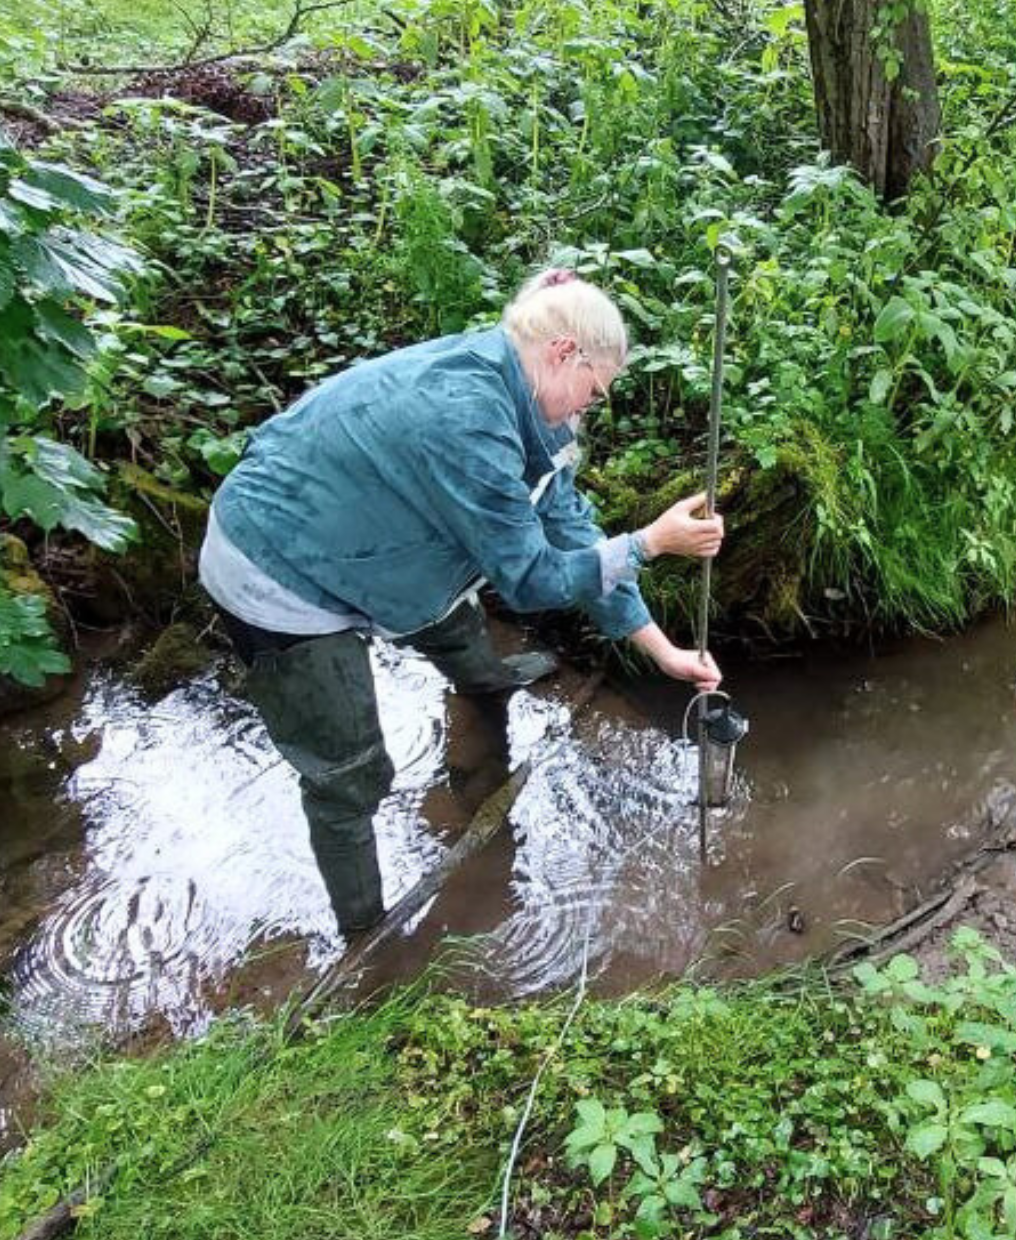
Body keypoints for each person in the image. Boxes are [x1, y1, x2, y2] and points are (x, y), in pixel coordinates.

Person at [198, 269, 724, 937]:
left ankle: (483, 682)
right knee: (350, 773)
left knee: (453, 610)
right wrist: (650, 542)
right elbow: (531, 580)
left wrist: (663, 650)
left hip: (368, 529)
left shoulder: (527, 405)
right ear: (563, 353)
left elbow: (571, 532)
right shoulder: (468, 419)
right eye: (592, 393)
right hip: (275, 567)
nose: (585, 410)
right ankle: (366, 936)